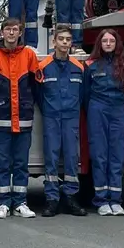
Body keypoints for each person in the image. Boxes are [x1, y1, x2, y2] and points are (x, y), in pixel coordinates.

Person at [0, 17, 42, 219]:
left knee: (20, 163)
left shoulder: (29, 56)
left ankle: (20, 203)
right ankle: (3, 204)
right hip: (0, 120)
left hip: (24, 119)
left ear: (20, 33)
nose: (11, 33)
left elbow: (36, 87)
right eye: (7, 29)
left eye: (14, 30)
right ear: (2, 33)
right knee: (2, 163)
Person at [36, 24, 88, 217]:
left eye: (68, 39)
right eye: (61, 39)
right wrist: (49, 110)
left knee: (71, 159)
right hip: (51, 117)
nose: (64, 42)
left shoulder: (78, 68)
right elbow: (38, 95)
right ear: (54, 41)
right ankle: (52, 200)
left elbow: (83, 95)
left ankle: (71, 198)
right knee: (51, 159)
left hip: (70, 118)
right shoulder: (43, 67)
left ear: (71, 43)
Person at [83, 28, 124, 216]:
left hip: (118, 109)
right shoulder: (91, 65)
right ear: (100, 44)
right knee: (99, 155)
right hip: (97, 108)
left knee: (117, 155)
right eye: (105, 41)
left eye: (112, 41)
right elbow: (85, 94)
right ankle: (101, 200)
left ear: (117, 43)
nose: (109, 44)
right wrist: (94, 110)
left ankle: (116, 200)